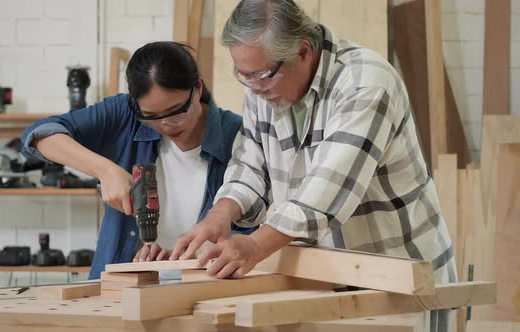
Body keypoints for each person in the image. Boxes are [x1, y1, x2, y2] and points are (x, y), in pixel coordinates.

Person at [169, 1, 456, 331]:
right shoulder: (264, 86)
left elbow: (323, 197)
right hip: (328, 275)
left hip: (399, 275)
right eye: (243, 75)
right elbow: (250, 164)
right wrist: (220, 215)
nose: (254, 88)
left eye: (260, 75)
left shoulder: (366, 84)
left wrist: (253, 246)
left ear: (303, 52)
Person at [20, 41, 251, 279]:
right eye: (151, 117)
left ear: (198, 88)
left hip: (204, 293)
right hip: (122, 293)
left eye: (176, 112)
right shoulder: (125, 115)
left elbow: (248, 237)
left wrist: (191, 257)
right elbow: (38, 135)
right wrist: (105, 171)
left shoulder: (237, 135)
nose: (165, 126)